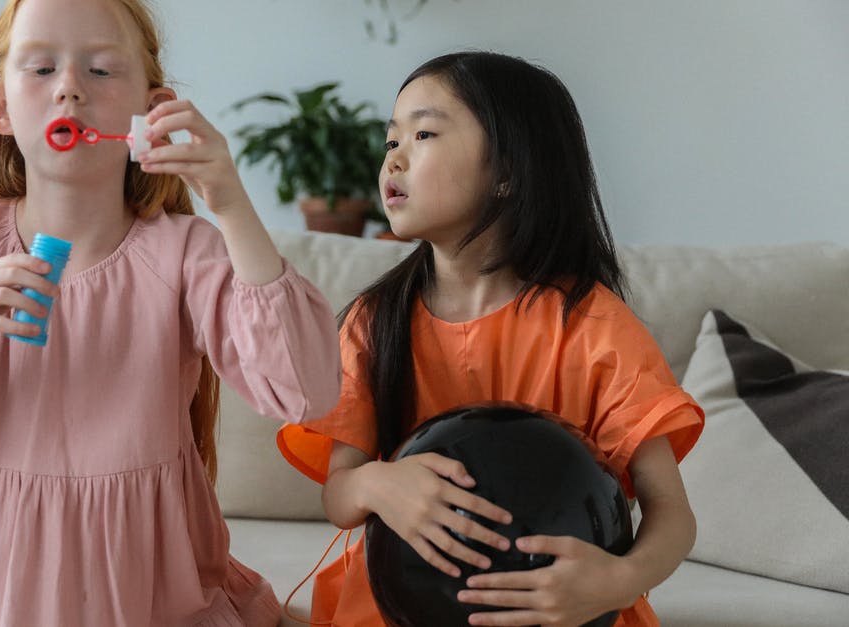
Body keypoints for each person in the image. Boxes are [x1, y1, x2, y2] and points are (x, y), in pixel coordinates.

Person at [0, 0, 341, 624]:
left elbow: (305, 391)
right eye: (40, 69)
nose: (69, 90)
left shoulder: (187, 255)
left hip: (152, 597)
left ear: (152, 111)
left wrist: (230, 202)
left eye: (103, 70)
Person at [277, 52, 704, 627]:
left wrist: (618, 580)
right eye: (390, 142)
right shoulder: (375, 321)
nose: (393, 159)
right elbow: (340, 498)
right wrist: (379, 484)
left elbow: (672, 515)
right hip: (400, 604)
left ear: (508, 170)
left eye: (423, 133)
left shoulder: (593, 328)